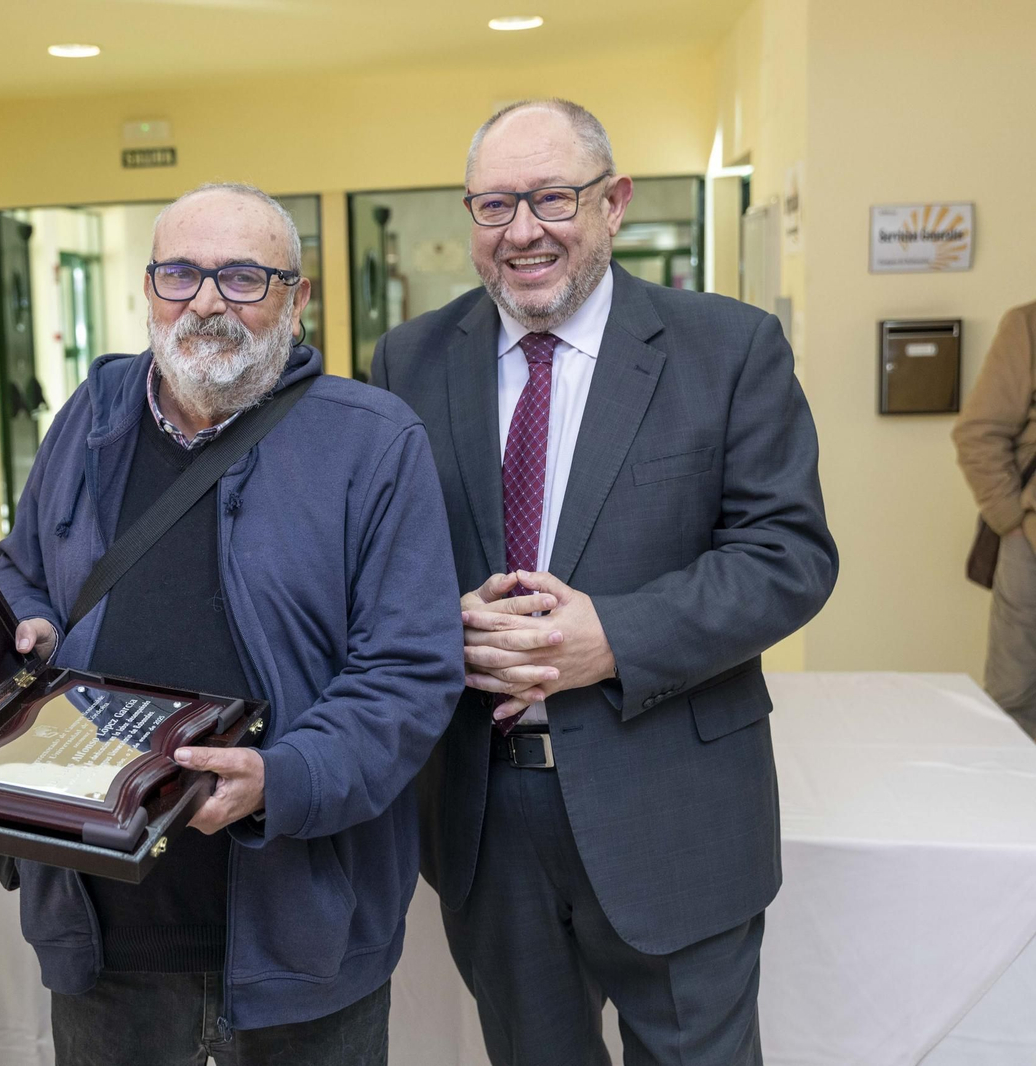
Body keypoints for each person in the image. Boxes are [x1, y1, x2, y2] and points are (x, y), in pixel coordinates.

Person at [372, 99, 838, 1065]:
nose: (523, 231)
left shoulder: (728, 349)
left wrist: (613, 639)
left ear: (614, 203)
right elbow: (375, 564)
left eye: (553, 198)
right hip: (485, 820)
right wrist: (439, 623)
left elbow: (788, 556)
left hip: (674, 812)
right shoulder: (409, 361)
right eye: (495, 205)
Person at [0, 182, 464, 1065]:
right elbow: (21, 569)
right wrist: (33, 623)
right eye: (180, 274)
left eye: (243, 277)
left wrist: (281, 779)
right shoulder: (90, 419)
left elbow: (410, 672)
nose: (206, 302)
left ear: (297, 297)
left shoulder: (373, 441)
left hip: (302, 939)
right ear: (149, 287)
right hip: (104, 937)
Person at [953, 302, 1036, 738]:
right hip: (1031, 551)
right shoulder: (1028, 325)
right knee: (1015, 701)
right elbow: (978, 434)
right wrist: (1012, 523)